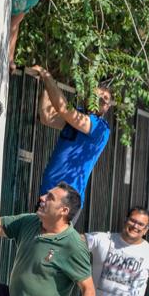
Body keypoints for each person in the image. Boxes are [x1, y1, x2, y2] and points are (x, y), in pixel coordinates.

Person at [30, 65, 112, 212]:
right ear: (88, 97)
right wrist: (48, 86)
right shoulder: (78, 115)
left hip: (67, 199)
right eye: (98, 96)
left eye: (106, 99)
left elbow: (63, 109)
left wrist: (47, 77)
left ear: (108, 107)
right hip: (48, 191)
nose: (102, 100)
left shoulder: (101, 127)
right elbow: (47, 117)